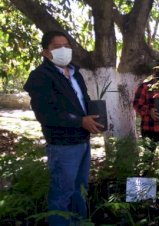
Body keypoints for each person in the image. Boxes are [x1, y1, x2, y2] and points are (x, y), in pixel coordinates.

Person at [23, 31, 103, 225]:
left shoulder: (76, 73)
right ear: (46, 52)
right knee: (61, 194)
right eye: (57, 47)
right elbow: (46, 114)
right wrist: (80, 121)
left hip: (83, 140)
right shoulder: (40, 76)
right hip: (62, 144)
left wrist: (95, 116)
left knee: (80, 190)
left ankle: (78, 222)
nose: (64, 50)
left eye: (67, 46)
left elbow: (81, 102)